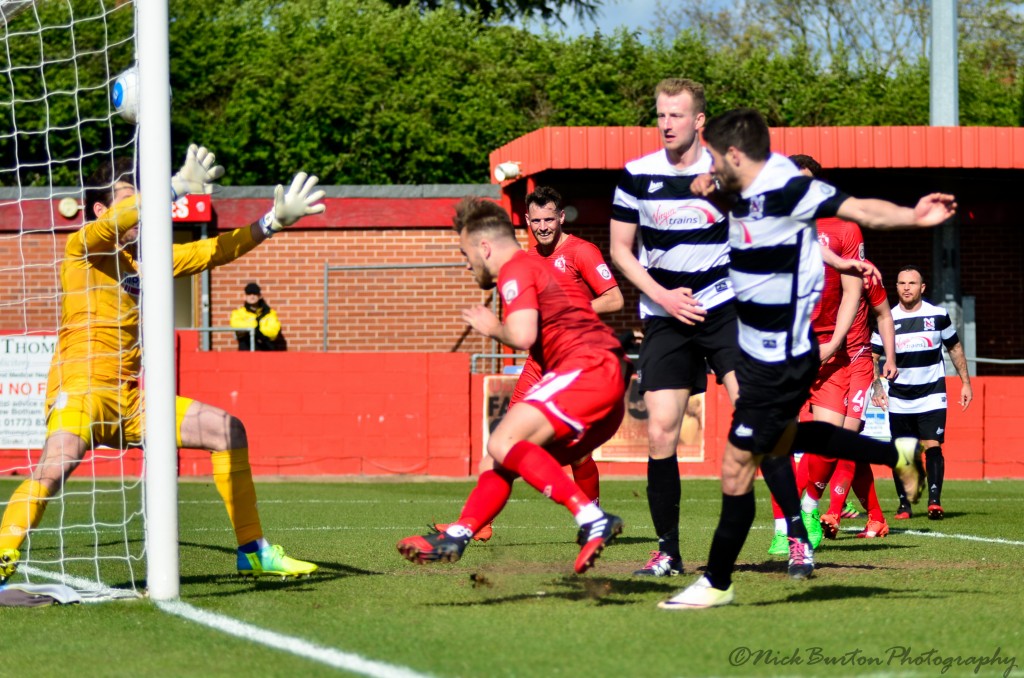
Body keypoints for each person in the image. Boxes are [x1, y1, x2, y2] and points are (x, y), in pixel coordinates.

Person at [659, 108, 955, 610]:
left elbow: (860, 207)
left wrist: (912, 216)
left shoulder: (792, 188)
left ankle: (716, 581)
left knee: (737, 466)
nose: (706, 163)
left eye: (713, 155)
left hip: (781, 351)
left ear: (734, 153)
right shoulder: (745, 190)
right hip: (766, 346)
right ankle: (894, 456)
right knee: (782, 440)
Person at [0, 146, 325, 583]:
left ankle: (253, 550)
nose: (142, 214)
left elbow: (211, 252)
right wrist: (171, 188)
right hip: (82, 391)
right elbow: (117, 222)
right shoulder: (81, 249)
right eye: (131, 201)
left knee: (226, 428)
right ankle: (4, 550)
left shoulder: (148, 259)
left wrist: (269, 223)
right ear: (100, 209)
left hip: (133, 399)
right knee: (56, 466)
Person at [397, 197, 628, 574]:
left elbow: (522, 335)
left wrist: (492, 328)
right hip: (605, 379)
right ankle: (461, 532)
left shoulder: (516, 268)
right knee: (501, 459)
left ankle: (591, 517)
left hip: (585, 371)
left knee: (501, 441)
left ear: (484, 247)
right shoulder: (536, 266)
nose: (465, 261)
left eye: (465, 252)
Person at [609, 78, 741, 578]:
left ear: (699, 121)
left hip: (723, 309)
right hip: (664, 316)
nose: (666, 124)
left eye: (676, 115)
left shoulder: (725, 171)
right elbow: (621, 249)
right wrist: (663, 297)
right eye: (660, 115)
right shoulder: (636, 175)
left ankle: (796, 535)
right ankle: (667, 551)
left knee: (757, 417)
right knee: (660, 432)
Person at [764, 154, 865, 555]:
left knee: (830, 439)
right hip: (783, 348)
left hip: (829, 347)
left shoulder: (844, 227)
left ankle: (807, 510)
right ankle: (781, 527)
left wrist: (836, 341)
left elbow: (853, 287)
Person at [871, 265, 972, 520]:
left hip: (932, 393)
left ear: (922, 288)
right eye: (902, 283)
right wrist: (877, 385)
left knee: (933, 446)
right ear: (895, 288)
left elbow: (955, 348)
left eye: (912, 283)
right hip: (899, 397)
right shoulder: (887, 319)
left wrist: (965, 382)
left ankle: (934, 501)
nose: (906, 287)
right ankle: (904, 505)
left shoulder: (938, 315)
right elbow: (872, 357)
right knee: (903, 451)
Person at [818, 256, 898, 539]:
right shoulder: (813, 271)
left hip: (859, 363)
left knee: (845, 443)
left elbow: (884, 314)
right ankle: (876, 518)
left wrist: (889, 358)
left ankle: (834, 513)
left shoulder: (865, 274)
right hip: (825, 363)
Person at [230, 282, 286, 351]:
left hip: (265, 351)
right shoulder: (238, 313)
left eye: (255, 294)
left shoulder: (270, 313)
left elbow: (273, 332)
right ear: (244, 297)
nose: (252, 296)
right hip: (246, 352)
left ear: (260, 296)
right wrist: (256, 324)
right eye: (249, 294)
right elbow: (237, 326)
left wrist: (252, 329)